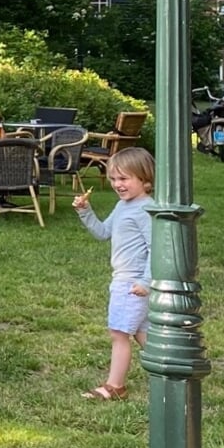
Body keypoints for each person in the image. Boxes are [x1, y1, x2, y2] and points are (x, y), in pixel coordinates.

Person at [73, 147, 155, 401]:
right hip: (122, 279)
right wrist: (85, 212)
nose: (117, 185)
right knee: (142, 332)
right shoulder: (123, 205)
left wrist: (146, 282)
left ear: (145, 179)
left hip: (131, 283)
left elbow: (156, 249)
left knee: (119, 333)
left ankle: (114, 386)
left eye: (124, 178)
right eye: (113, 179)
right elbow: (102, 233)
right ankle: (172, 373)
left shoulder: (146, 210)